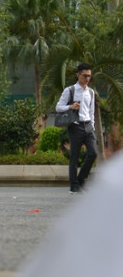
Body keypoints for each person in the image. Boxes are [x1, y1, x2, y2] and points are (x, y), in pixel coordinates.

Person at [56, 62, 97, 194]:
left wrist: (93, 126)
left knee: (93, 153)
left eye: (89, 76)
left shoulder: (91, 92)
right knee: (74, 157)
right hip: (75, 126)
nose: (87, 78)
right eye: (85, 75)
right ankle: (74, 187)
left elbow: (92, 111)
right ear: (78, 75)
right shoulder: (70, 90)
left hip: (88, 126)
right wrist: (70, 107)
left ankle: (80, 180)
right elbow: (58, 107)